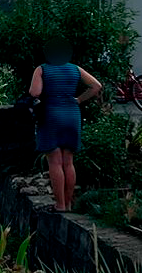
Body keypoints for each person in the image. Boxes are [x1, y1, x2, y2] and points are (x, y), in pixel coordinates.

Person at [30, 39, 102, 212]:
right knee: (68, 162)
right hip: (72, 114)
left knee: (55, 162)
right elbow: (96, 86)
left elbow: (35, 92)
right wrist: (78, 100)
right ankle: (69, 204)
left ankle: (60, 205)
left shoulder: (42, 69)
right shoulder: (75, 69)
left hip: (51, 115)